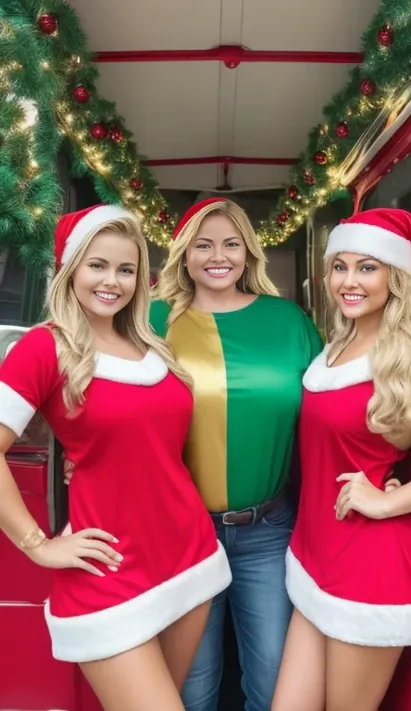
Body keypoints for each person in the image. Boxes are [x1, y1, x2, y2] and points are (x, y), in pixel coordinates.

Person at [0, 205, 231, 711]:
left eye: (126, 269)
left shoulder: (150, 344)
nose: (112, 281)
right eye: (97, 265)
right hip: (109, 568)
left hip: (187, 553)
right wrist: (37, 544)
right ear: (71, 269)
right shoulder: (45, 347)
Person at [271, 208, 411, 711]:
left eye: (368, 267)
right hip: (316, 555)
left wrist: (388, 502)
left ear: (395, 277)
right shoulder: (334, 348)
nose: (349, 281)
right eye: (340, 266)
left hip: (371, 567)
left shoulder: (410, 356)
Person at [149, 197, 324, 711]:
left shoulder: (288, 321)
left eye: (231, 244)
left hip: (267, 531)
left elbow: (332, 408)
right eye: (203, 245)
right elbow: (114, 404)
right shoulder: (152, 321)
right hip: (182, 532)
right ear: (184, 255)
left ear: (249, 253)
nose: (217, 256)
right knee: (191, 689)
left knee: (274, 687)